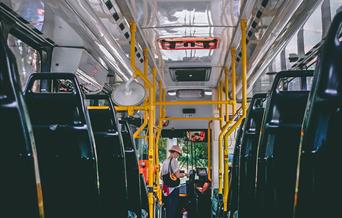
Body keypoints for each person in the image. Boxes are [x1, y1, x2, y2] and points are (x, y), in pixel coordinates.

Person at [161, 145, 186, 218]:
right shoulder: (174, 161)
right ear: (175, 152)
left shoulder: (165, 161)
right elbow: (178, 175)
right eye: (178, 154)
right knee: (174, 209)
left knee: (168, 209)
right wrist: (184, 174)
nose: (178, 156)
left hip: (166, 189)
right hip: (173, 189)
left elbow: (161, 176)